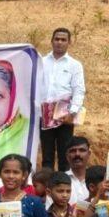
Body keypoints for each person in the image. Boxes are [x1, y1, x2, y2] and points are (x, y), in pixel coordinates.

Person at [39, 28, 86, 172]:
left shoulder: (75, 65)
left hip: (64, 116)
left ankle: (63, 187)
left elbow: (79, 90)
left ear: (69, 42)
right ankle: (48, 187)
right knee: (47, 155)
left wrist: (72, 112)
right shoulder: (41, 62)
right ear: (51, 41)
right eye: (57, 39)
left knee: (65, 154)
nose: (59, 42)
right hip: (44, 117)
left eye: (63, 40)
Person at [64, 137, 91, 204]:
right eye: (73, 151)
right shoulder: (58, 181)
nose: (77, 154)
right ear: (67, 156)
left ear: (89, 154)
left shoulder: (99, 180)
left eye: (82, 150)